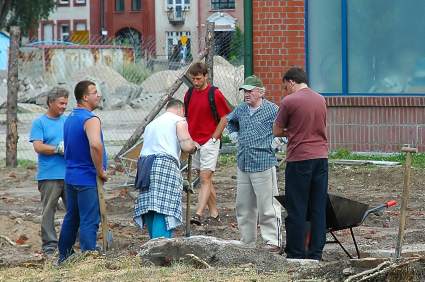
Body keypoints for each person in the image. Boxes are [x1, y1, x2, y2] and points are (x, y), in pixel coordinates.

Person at [273, 67, 328, 260]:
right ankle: (316, 252)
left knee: (297, 206)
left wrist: (292, 131)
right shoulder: (321, 99)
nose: (285, 91)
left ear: (291, 81)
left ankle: (296, 252)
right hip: (321, 158)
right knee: (318, 206)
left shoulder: (289, 101)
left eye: (285, 86)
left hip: (299, 159)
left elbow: (277, 130)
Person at [227, 75, 282, 252]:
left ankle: (273, 241)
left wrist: (278, 141)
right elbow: (230, 122)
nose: (246, 94)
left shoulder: (273, 109)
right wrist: (234, 134)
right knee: (244, 204)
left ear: (261, 92)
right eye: (245, 91)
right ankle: (247, 240)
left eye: (250, 91)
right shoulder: (241, 109)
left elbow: (286, 127)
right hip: (243, 162)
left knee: (268, 205)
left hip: (264, 162)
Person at [133, 99, 198, 239]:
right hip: (163, 164)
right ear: (181, 110)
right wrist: (194, 146)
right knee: (164, 209)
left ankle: (152, 244)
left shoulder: (152, 124)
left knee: (150, 207)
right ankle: (160, 248)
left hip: (144, 166)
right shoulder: (178, 120)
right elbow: (186, 146)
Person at [58, 80, 107, 263]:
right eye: (95, 92)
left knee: (72, 217)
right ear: (85, 97)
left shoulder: (70, 118)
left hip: (70, 177)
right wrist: (100, 170)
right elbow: (95, 145)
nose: (98, 95)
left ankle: (64, 256)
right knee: (89, 220)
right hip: (87, 178)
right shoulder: (90, 119)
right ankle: (88, 260)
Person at [184, 61, 231, 225]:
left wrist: (214, 137)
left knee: (205, 177)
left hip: (210, 141)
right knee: (206, 179)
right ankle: (214, 212)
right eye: (193, 79)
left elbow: (225, 116)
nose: (195, 82)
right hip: (194, 142)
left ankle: (198, 213)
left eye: (198, 79)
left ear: (205, 76)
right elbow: (187, 116)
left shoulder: (215, 93)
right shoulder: (189, 94)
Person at [29, 87, 69, 256]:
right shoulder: (40, 123)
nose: (64, 107)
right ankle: (50, 245)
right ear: (50, 102)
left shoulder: (67, 121)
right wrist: (57, 149)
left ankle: (72, 242)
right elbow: (38, 146)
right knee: (48, 211)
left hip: (69, 174)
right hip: (49, 175)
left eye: (66, 103)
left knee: (74, 210)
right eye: (61, 103)